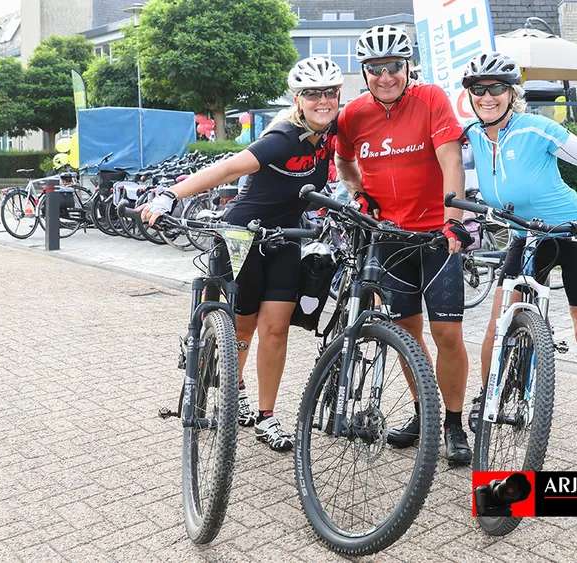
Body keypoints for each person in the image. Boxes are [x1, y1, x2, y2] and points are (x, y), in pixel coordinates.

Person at [140, 57, 343, 452]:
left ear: (338, 95)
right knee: (243, 328)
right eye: (312, 94)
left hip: (286, 237)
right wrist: (170, 194)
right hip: (241, 236)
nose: (322, 100)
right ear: (298, 100)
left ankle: (267, 416)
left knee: (276, 329)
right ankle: (236, 393)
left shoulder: (333, 135)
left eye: (329, 92)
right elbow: (228, 169)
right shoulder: (283, 138)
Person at [461, 52, 577, 471]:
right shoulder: (472, 136)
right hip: (526, 236)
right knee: (498, 323)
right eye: (478, 88)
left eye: (496, 88)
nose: (487, 96)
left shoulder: (536, 128)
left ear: (511, 93)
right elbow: (452, 175)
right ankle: (489, 396)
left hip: (574, 235)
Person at [334, 24, 475, 466]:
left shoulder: (430, 98)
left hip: (436, 236)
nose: (385, 77)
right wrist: (359, 193)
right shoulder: (353, 115)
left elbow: (451, 160)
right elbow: (342, 158)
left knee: (447, 333)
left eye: (393, 66)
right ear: (364, 72)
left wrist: (453, 221)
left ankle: (453, 424)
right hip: (390, 240)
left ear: (408, 66)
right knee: (406, 335)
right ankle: (424, 413)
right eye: (375, 69)